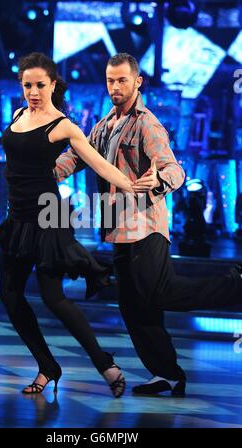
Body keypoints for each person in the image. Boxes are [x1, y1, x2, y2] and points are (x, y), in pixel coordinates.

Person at [54, 53, 242, 397]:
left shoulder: (147, 124)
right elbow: (80, 155)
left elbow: (174, 170)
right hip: (118, 229)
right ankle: (166, 374)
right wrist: (45, 172)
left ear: (137, 82)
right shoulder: (106, 123)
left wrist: (157, 182)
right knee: (135, 308)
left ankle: (236, 283)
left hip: (145, 227)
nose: (115, 86)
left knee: (157, 293)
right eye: (111, 80)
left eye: (122, 80)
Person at [0, 52, 134, 398]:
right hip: (18, 219)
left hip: (47, 219)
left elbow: (99, 164)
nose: (33, 92)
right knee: (9, 296)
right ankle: (47, 366)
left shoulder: (63, 125)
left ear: (53, 85)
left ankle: (105, 363)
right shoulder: (19, 114)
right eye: (28, 85)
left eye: (40, 85)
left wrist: (133, 185)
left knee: (54, 299)